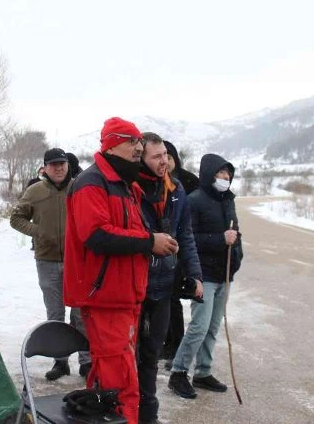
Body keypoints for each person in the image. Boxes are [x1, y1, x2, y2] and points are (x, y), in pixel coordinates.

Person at [63, 117, 179, 424]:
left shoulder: (126, 186)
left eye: (141, 141)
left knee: (112, 376)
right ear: (112, 144)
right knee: (120, 381)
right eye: (132, 141)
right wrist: (148, 241)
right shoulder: (92, 183)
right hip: (105, 298)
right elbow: (97, 235)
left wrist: (156, 240)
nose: (139, 147)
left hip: (125, 296)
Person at [136, 132, 203, 424]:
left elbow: (185, 234)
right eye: (156, 156)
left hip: (164, 285)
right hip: (133, 285)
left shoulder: (175, 188)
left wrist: (194, 274)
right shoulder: (130, 189)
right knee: (128, 355)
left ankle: (148, 414)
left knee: (152, 355)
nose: (164, 161)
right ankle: (123, 410)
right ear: (142, 158)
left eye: (165, 154)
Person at [10, 147, 91, 380]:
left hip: (77, 261)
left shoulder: (80, 187)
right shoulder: (35, 190)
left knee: (80, 314)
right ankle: (61, 362)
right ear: (45, 168)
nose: (59, 168)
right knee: (55, 314)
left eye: (62, 164)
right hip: (47, 260)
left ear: (68, 166)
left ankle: (86, 360)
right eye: (54, 164)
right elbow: (16, 218)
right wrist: (38, 231)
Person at [168, 153, 244, 399]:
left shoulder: (228, 200)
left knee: (212, 327)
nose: (226, 177)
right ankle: (178, 372)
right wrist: (220, 239)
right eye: (222, 173)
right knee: (199, 326)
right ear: (210, 173)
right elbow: (188, 239)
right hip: (205, 273)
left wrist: (237, 257)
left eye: (229, 173)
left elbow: (235, 232)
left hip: (224, 274)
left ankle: (203, 371)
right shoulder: (195, 201)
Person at [161, 140, 200, 366]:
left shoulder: (186, 182)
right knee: (161, 301)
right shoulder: (154, 182)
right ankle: (165, 343)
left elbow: (188, 225)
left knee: (173, 301)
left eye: (169, 156)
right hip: (161, 252)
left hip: (179, 251)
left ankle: (175, 344)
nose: (165, 162)